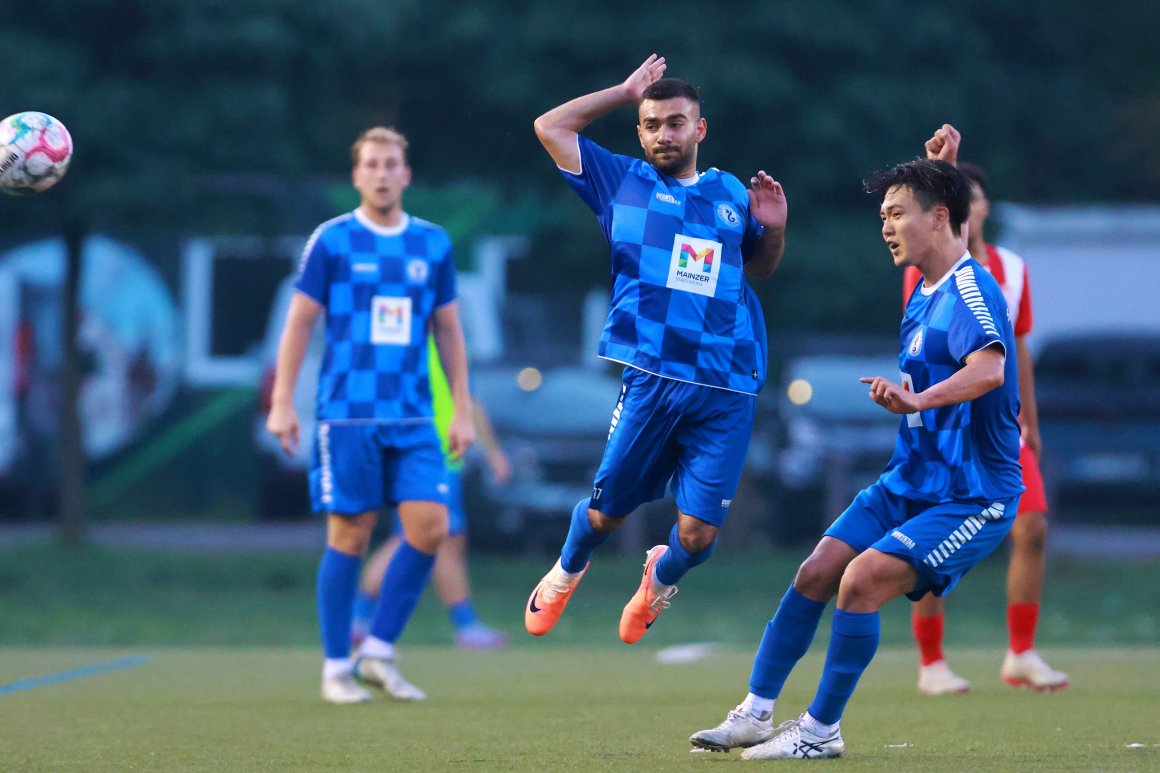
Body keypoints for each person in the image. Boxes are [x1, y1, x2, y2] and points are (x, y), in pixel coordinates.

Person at [690, 141, 1023, 760]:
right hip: (910, 479)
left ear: (939, 218)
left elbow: (989, 372)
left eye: (897, 214)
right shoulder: (922, 286)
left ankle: (820, 733)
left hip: (973, 494)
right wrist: (943, 168)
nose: (887, 227)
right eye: (883, 217)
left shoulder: (973, 294)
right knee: (817, 570)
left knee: (862, 581)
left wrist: (919, 402)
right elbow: (950, 213)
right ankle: (755, 713)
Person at [523, 55, 787, 644]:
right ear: (638, 131)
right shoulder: (619, 181)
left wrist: (774, 225)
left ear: (700, 129)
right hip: (653, 377)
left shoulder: (728, 193)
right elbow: (551, 127)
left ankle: (658, 578)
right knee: (605, 514)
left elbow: (760, 267)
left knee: (696, 538)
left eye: (675, 122)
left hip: (728, 384)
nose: (663, 134)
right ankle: (566, 573)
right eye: (651, 124)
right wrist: (622, 92)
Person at [266, 126, 474, 704]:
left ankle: (379, 651)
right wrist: (283, 401)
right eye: (372, 165)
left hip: (412, 417)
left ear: (406, 175)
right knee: (350, 535)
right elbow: (299, 324)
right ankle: (336, 667)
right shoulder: (331, 242)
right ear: (356, 176)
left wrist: (461, 408)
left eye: (392, 164)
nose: (382, 173)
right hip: (347, 416)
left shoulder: (432, 244)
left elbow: (449, 329)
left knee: (431, 527)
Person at [905, 128, 1068, 696]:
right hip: (947, 425)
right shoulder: (925, 268)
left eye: (970, 194)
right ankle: (931, 662)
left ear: (981, 206)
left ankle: (1020, 653)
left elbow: (1017, 347)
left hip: (1005, 426)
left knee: (1034, 526)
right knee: (930, 536)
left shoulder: (1013, 269)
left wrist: (1034, 422)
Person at [353, 337, 512, 650]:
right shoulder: (407, 339)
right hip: (422, 458)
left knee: (439, 541)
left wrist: (491, 450)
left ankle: (357, 619)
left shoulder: (440, 339)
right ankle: (465, 626)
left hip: (443, 457)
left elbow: (467, 398)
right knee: (429, 539)